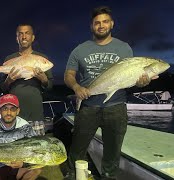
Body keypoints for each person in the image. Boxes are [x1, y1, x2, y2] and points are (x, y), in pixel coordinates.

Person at [64, 6, 153, 179]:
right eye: (97, 23)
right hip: (88, 107)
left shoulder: (124, 48)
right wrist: (76, 88)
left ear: (111, 24)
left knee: (113, 154)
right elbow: (69, 75)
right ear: (92, 26)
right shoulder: (80, 50)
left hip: (116, 107)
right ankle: (72, 175)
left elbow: (129, 78)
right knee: (77, 149)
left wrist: (141, 82)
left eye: (105, 21)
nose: (101, 25)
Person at [0, 94, 42, 180]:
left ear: (18, 111)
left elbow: (36, 152)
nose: (9, 113)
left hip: (15, 167)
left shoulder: (25, 127)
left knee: (36, 169)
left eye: (13, 109)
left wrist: (23, 164)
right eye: (5, 109)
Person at [0, 24, 53, 130]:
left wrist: (44, 80)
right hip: (13, 115)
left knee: (37, 146)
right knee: (15, 146)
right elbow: (3, 88)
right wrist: (9, 80)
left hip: (35, 115)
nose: (24, 36)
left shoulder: (42, 58)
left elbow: (50, 87)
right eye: (21, 34)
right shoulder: (10, 58)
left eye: (27, 33)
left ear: (32, 37)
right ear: (17, 38)